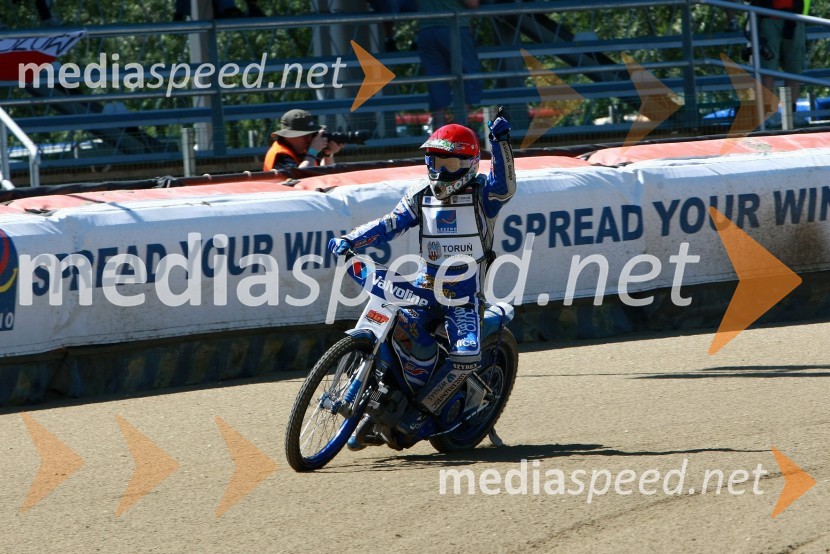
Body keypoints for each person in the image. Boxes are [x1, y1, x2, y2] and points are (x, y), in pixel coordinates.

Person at [328, 113, 514, 450]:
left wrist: (500, 144)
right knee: (394, 326)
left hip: (464, 298)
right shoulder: (420, 194)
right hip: (425, 287)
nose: (442, 169)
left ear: (470, 164)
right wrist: (352, 239)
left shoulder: (483, 195)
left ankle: (423, 414)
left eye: (452, 162)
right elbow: (389, 224)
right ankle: (380, 397)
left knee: (466, 354)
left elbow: (505, 186)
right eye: (436, 159)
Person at [416, 0, 483, 129]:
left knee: (436, 81)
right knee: (469, 77)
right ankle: (461, 126)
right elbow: (473, 3)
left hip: (426, 30)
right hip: (454, 28)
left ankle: (439, 128)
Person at [753, 0, 809, 119]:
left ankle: (791, 116)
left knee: (794, 70)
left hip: (794, 19)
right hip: (768, 18)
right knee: (767, 70)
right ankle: (768, 117)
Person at [262, 109, 343, 171]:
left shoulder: (302, 151)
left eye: (311, 134)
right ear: (289, 136)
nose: (309, 138)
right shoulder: (280, 155)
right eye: (304, 135)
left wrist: (327, 155)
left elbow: (323, 174)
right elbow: (300, 176)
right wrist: (313, 151)